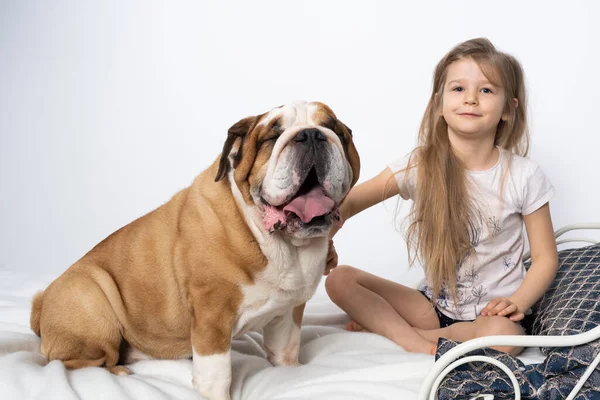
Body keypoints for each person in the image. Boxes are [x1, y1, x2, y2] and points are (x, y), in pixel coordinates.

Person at [324, 38, 559, 356]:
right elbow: (349, 203)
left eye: (486, 90)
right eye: (458, 89)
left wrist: (517, 302)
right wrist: (327, 239)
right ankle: (423, 338)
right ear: (439, 104)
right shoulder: (421, 165)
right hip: (429, 306)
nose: (471, 99)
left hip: (488, 318)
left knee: (507, 337)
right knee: (339, 280)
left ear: (508, 109)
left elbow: (545, 258)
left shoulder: (524, 175)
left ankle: (408, 335)